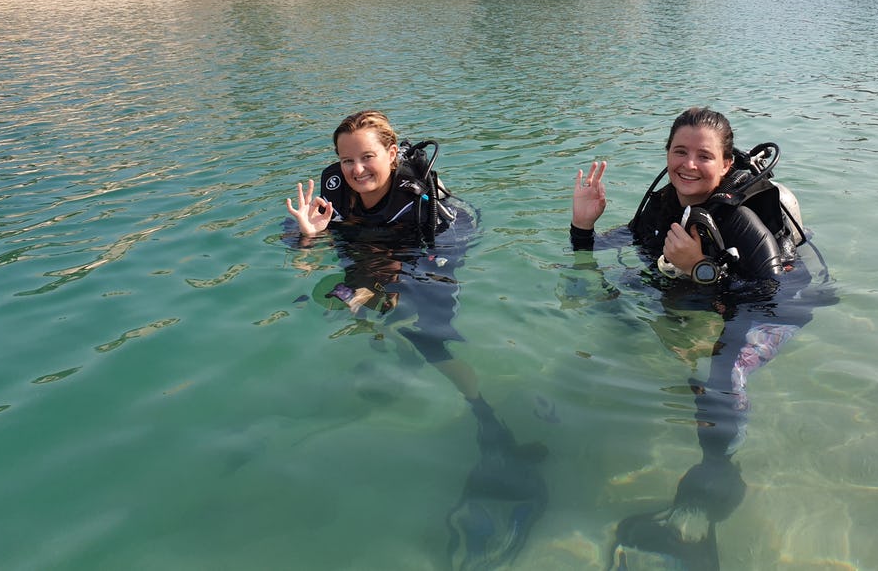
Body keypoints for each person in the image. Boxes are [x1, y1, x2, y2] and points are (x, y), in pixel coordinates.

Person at [569, 107, 834, 568]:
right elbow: (636, 241)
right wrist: (584, 226)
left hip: (777, 308)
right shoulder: (665, 202)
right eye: (679, 152)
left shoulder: (740, 219)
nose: (689, 164)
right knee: (599, 297)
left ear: (726, 164)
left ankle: (716, 473)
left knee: (723, 376)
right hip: (706, 295)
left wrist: (702, 271)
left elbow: (771, 294)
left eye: (703, 156)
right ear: (667, 154)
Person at [286, 110, 546, 569]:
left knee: (428, 336)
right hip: (372, 246)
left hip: (435, 246)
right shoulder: (334, 193)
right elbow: (310, 248)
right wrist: (307, 238)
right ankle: (390, 348)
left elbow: (442, 249)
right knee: (347, 303)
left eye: (368, 157)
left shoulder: (418, 198)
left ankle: (484, 413)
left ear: (390, 153)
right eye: (347, 160)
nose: (357, 169)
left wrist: (393, 282)